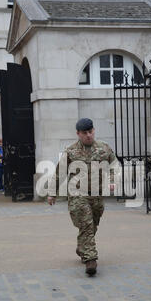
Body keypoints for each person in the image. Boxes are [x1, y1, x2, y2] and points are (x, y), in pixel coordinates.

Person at [47, 118, 120, 277]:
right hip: (77, 194)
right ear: (78, 134)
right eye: (84, 133)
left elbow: (115, 165)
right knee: (86, 223)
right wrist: (52, 192)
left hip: (97, 195)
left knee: (92, 224)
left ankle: (82, 247)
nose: (88, 135)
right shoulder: (71, 151)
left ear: (94, 130)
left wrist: (113, 181)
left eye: (90, 131)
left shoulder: (104, 148)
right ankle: (90, 259)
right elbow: (60, 172)